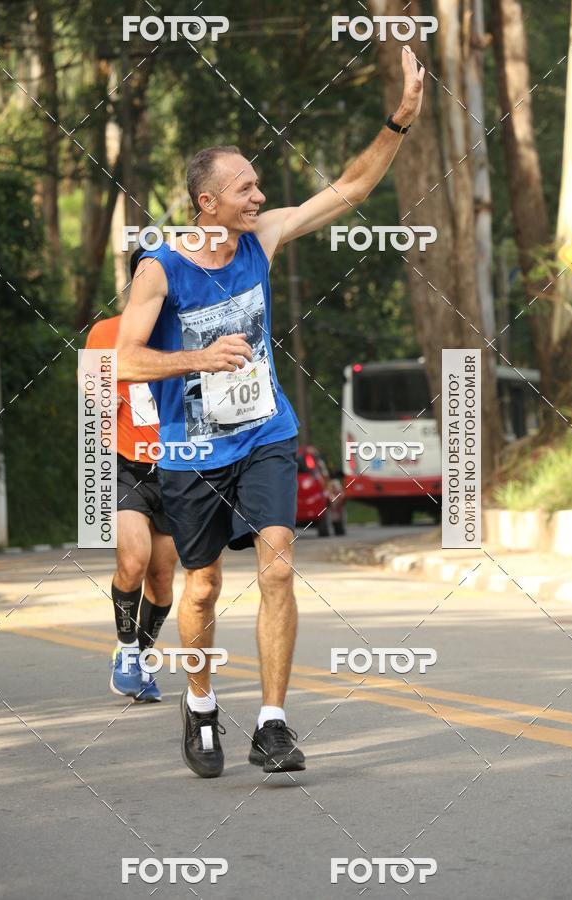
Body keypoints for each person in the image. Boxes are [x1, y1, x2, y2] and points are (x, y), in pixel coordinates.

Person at [116, 48, 424, 774]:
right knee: (204, 586)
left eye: (258, 186)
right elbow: (121, 358)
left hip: (265, 434)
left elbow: (349, 189)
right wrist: (197, 359)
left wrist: (400, 121)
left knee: (278, 568)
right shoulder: (163, 266)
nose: (259, 196)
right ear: (207, 204)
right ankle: (199, 703)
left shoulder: (263, 237)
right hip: (192, 451)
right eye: (246, 188)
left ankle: (274, 724)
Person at [84, 251, 179, 703]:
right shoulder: (103, 333)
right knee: (134, 559)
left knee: (163, 580)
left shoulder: (184, 332)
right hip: (125, 465)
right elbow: (90, 408)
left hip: (177, 467)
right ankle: (125, 650)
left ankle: (139, 657)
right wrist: (104, 406)